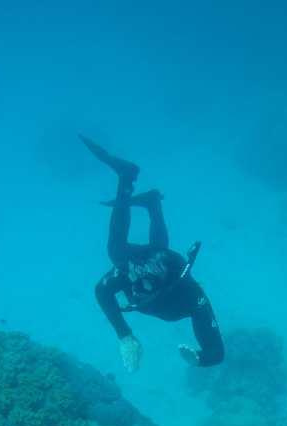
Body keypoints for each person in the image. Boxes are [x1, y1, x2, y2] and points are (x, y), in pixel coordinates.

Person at [82, 135, 224, 372]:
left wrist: (198, 359)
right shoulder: (127, 271)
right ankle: (138, 188)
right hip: (156, 261)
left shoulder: (190, 294)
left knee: (145, 250)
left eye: (142, 285)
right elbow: (102, 291)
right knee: (119, 251)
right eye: (134, 281)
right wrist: (125, 336)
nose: (135, 289)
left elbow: (216, 352)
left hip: (169, 268)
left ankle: (139, 189)